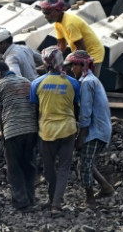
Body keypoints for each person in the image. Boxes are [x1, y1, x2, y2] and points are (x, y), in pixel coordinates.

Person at [30, 46, 80, 214]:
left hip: (46, 131)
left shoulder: (37, 83)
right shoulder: (73, 83)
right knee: (64, 168)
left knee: (49, 168)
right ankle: (56, 204)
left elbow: (34, 110)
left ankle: (53, 199)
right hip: (68, 129)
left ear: (45, 63)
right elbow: (76, 107)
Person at [64, 50, 115, 206]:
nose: (72, 69)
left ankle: (90, 198)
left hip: (95, 131)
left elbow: (85, 113)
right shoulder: (92, 80)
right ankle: (106, 187)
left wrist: (81, 136)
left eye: (74, 65)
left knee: (85, 165)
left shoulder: (87, 83)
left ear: (83, 65)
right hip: (100, 128)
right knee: (87, 163)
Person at [0, 60, 38, 210]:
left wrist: (4, 133)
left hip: (13, 130)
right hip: (31, 129)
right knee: (28, 164)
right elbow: (34, 105)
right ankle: (31, 198)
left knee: (14, 167)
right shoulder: (26, 81)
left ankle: (21, 202)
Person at [40, 0, 105, 77]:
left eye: (47, 13)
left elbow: (81, 48)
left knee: (88, 82)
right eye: (44, 13)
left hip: (93, 54)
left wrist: (66, 62)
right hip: (80, 53)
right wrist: (50, 60)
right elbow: (61, 46)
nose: (45, 17)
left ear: (57, 11)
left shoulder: (69, 23)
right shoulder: (58, 24)